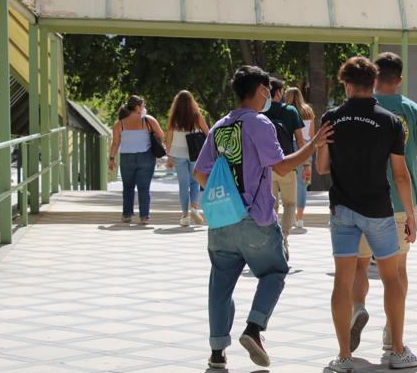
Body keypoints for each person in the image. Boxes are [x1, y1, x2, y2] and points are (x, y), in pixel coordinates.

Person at [193, 66, 333, 370]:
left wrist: (227, 195)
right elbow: (282, 167)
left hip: (221, 221)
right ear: (260, 90)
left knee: (220, 287)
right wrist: (314, 144)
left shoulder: (219, 126)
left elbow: (199, 172)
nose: (269, 94)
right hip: (255, 218)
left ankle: (217, 354)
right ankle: (254, 329)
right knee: (275, 272)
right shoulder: (259, 123)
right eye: (267, 89)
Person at [316, 56, 417, 372]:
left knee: (343, 282)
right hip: (379, 211)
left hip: (343, 210)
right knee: (392, 279)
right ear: (373, 83)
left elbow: (322, 167)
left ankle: (344, 357)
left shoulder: (331, 118)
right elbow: (400, 175)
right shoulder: (390, 121)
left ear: (346, 84)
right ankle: (397, 351)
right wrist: (411, 216)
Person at [351, 52, 417, 357]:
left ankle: (357, 308)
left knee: (360, 264)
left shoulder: (359, 110)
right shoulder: (413, 111)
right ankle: (392, 339)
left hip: (362, 199)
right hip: (400, 201)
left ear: (374, 77)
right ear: (400, 79)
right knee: (397, 272)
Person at [263, 78, 306, 259]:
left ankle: (272, 239)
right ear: (279, 92)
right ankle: (284, 237)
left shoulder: (260, 112)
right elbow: (300, 141)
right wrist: (305, 164)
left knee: (271, 206)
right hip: (287, 164)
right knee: (290, 203)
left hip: (266, 166)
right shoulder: (290, 111)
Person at [108, 95, 164, 225]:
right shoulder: (148, 120)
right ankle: (144, 216)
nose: (144, 108)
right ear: (138, 107)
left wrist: (111, 159)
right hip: (146, 157)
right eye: (143, 106)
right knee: (144, 188)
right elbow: (161, 135)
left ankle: (127, 215)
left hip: (126, 158)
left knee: (127, 187)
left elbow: (115, 143)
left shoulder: (119, 124)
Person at [165, 90, 210, 226]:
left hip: (178, 154)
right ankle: (194, 208)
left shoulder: (173, 117)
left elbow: (169, 137)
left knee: (183, 185)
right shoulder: (196, 116)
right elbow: (208, 133)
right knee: (195, 182)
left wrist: (169, 156)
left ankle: (185, 216)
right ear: (192, 102)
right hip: (195, 153)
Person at [285, 87, 315, 234]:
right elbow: (311, 134)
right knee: (302, 184)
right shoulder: (308, 111)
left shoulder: (287, 111)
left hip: (291, 145)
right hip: (306, 146)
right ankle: (300, 218)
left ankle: (288, 216)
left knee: (287, 181)